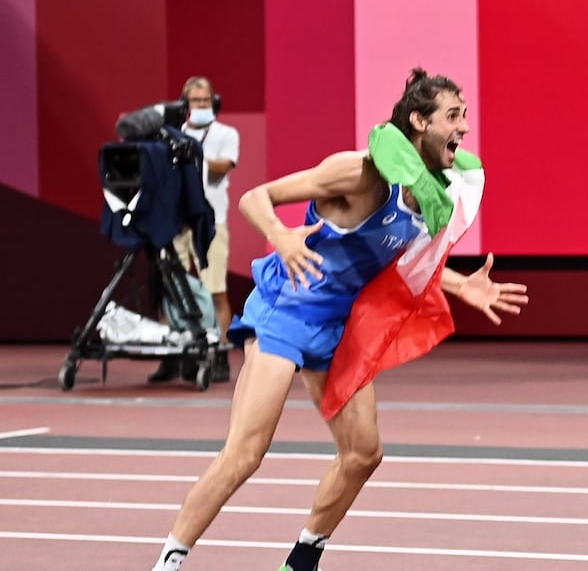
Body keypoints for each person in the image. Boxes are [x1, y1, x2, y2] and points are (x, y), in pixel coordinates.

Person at [149, 68, 528, 571]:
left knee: (363, 453)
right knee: (245, 454)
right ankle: (169, 562)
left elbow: (399, 265)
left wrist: (462, 285)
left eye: (466, 117)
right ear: (419, 121)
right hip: (287, 311)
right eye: (453, 116)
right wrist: (282, 238)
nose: (463, 128)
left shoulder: (426, 196)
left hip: (337, 328)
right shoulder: (360, 174)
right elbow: (253, 198)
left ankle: (302, 560)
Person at [148, 76, 240, 383]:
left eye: (205, 100)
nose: (200, 106)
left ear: (214, 102)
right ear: (184, 105)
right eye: (194, 101)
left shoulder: (227, 134)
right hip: (176, 221)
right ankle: (171, 358)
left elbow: (223, 168)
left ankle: (221, 354)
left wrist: (193, 153)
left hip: (212, 221)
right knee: (170, 289)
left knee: (215, 290)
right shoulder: (173, 134)